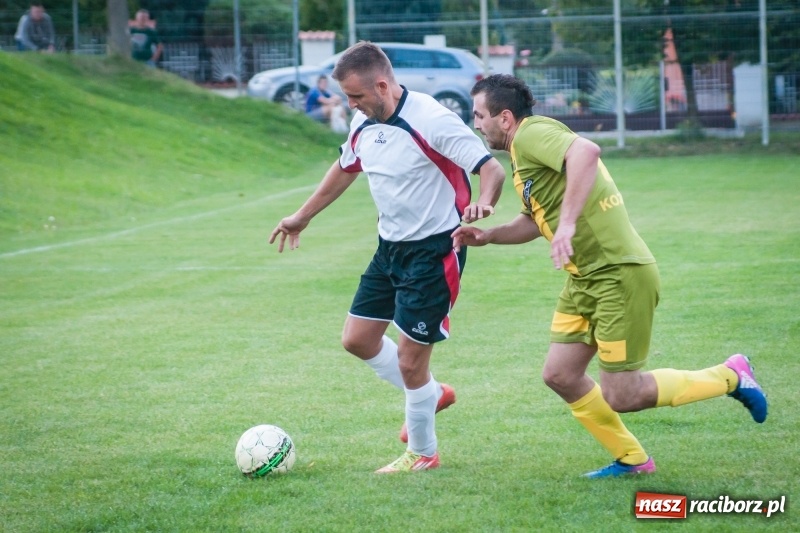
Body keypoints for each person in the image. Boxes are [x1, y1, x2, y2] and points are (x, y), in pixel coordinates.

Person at [452, 74, 768, 478]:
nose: (476, 124)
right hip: (584, 279)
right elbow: (534, 220)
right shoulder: (522, 154)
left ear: (506, 118)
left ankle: (730, 375)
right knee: (560, 375)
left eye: (479, 115)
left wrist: (566, 225)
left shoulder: (532, 134)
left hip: (617, 273)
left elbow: (586, 151)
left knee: (623, 393)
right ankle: (632, 459)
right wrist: (490, 237)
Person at [270, 42, 506, 473]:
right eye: (347, 97)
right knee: (357, 340)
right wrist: (301, 217)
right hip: (389, 249)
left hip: (435, 251)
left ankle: (423, 453)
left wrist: (484, 204)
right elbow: (345, 167)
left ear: (382, 85)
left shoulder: (432, 119)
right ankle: (431, 395)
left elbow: (490, 169)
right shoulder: (364, 122)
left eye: (356, 96)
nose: (350, 105)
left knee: (410, 361)